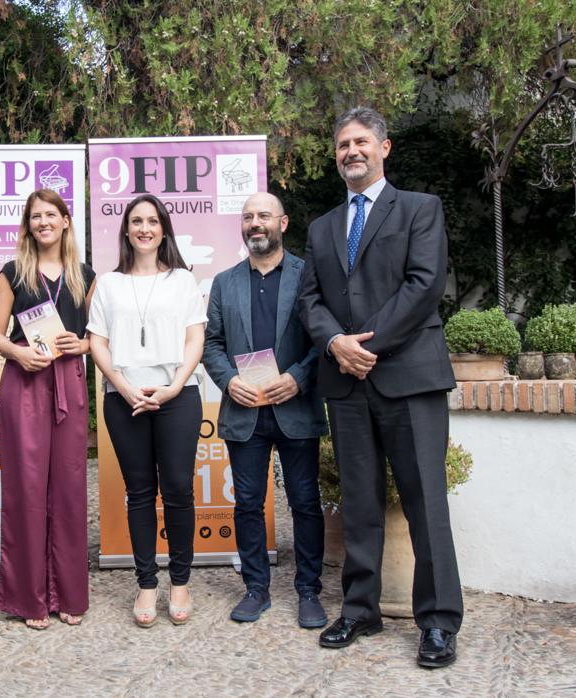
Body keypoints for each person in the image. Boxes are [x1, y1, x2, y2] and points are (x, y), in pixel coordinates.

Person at [298, 107, 462, 668]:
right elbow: (310, 301)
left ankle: (438, 622)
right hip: (344, 383)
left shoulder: (419, 209)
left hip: (408, 379)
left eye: (361, 141)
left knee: (424, 504)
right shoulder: (321, 227)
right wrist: (335, 344)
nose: (351, 152)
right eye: (343, 144)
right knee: (360, 504)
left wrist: (366, 346)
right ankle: (360, 609)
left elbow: (424, 286)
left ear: (384, 147)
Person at [203, 192, 328, 629]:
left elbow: (323, 339)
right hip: (245, 411)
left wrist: (298, 377)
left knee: (306, 502)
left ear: (283, 223)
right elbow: (212, 344)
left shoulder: (308, 276)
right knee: (248, 504)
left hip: (294, 406)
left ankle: (309, 590)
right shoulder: (224, 282)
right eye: (248, 216)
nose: (255, 223)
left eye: (263, 216)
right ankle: (256, 589)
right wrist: (228, 381)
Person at [87, 193, 206, 627]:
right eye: (136, 221)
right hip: (124, 399)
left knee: (177, 489)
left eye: (152, 221)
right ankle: (146, 584)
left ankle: (179, 582)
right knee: (138, 492)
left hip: (178, 396)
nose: (144, 228)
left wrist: (174, 386)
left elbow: (195, 337)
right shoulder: (109, 282)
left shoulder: (183, 281)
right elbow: (97, 341)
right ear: (126, 230)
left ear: (163, 229)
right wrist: (121, 384)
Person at [0, 189, 96, 630]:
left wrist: (83, 343)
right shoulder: (13, 273)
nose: (43, 222)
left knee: (69, 489)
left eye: (51, 215)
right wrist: (17, 353)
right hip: (25, 384)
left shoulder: (84, 275)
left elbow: (98, 337)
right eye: (36, 216)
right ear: (28, 224)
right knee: (26, 490)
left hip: (68, 382)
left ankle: (68, 593)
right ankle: (29, 598)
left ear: (66, 221)